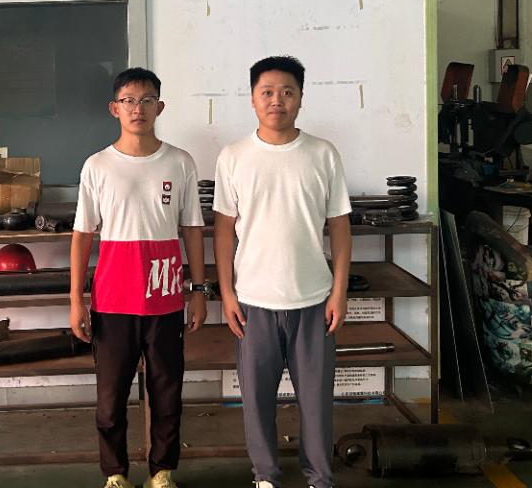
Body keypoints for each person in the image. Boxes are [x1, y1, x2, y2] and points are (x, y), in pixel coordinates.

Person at [212, 55, 352, 488]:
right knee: (256, 401)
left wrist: (339, 292)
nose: (277, 100)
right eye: (268, 92)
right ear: (253, 99)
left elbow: (340, 226)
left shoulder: (323, 154)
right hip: (253, 302)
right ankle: (265, 475)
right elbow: (223, 230)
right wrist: (227, 294)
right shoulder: (234, 157)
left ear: (301, 99)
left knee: (316, 401)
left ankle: (320, 477)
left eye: (287, 92)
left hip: (314, 300)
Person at [70, 67, 206, 488]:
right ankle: (115, 474)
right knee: (110, 398)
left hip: (165, 298)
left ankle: (162, 471)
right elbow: (82, 235)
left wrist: (199, 291)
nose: (138, 108)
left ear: (159, 107)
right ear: (114, 108)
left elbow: (192, 229)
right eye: (129, 100)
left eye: (147, 100)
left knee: (167, 393)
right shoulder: (97, 166)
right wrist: (76, 300)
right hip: (113, 301)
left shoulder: (180, 162)